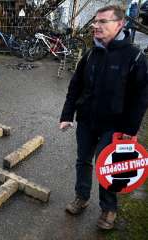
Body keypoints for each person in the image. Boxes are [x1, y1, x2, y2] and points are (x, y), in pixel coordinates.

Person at [60, 5, 148, 230]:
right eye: (95, 22)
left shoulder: (134, 56)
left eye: (102, 22)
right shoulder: (91, 53)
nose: (95, 26)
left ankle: (109, 209)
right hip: (87, 120)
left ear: (119, 25)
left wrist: (131, 129)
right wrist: (67, 115)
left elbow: (141, 97)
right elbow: (75, 85)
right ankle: (82, 197)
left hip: (115, 125)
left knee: (110, 166)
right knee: (83, 161)